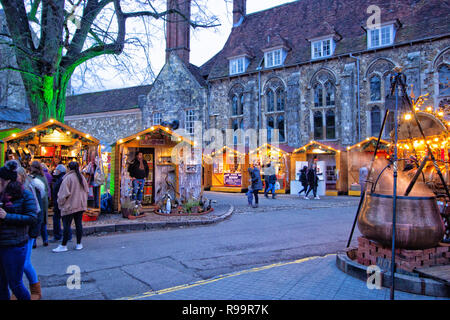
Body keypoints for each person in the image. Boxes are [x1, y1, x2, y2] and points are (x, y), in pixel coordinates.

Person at [0, 161, 38, 300]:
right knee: (1, 284)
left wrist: (7, 216)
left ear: (6, 181)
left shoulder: (25, 194)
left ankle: (34, 293)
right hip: (3, 243)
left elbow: (32, 217)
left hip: (15, 245)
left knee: (15, 284)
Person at [15, 167, 44, 300]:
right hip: (21, 230)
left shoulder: (27, 190)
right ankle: (18, 290)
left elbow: (35, 212)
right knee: (19, 262)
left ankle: (35, 291)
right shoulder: (16, 189)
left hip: (28, 229)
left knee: (24, 263)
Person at [53, 162, 88, 253]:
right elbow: (86, 190)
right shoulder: (81, 177)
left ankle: (63, 245)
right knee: (78, 224)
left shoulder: (68, 178)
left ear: (68, 168)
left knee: (66, 226)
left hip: (70, 205)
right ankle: (79, 244)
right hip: (79, 205)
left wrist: (60, 203)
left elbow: (63, 194)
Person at [29, 161, 49, 247]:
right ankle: (45, 240)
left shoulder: (32, 178)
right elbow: (47, 189)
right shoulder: (43, 177)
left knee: (36, 222)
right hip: (44, 201)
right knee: (43, 222)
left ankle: (34, 241)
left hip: (37, 201)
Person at [51, 164, 70, 243]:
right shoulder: (63, 178)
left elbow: (62, 192)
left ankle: (58, 235)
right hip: (60, 202)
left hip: (60, 202)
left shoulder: (61, 180)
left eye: (57, 170)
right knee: (64, 219)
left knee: (59, 219)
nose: (56, 171)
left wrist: (59, 201)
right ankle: (67, 235)